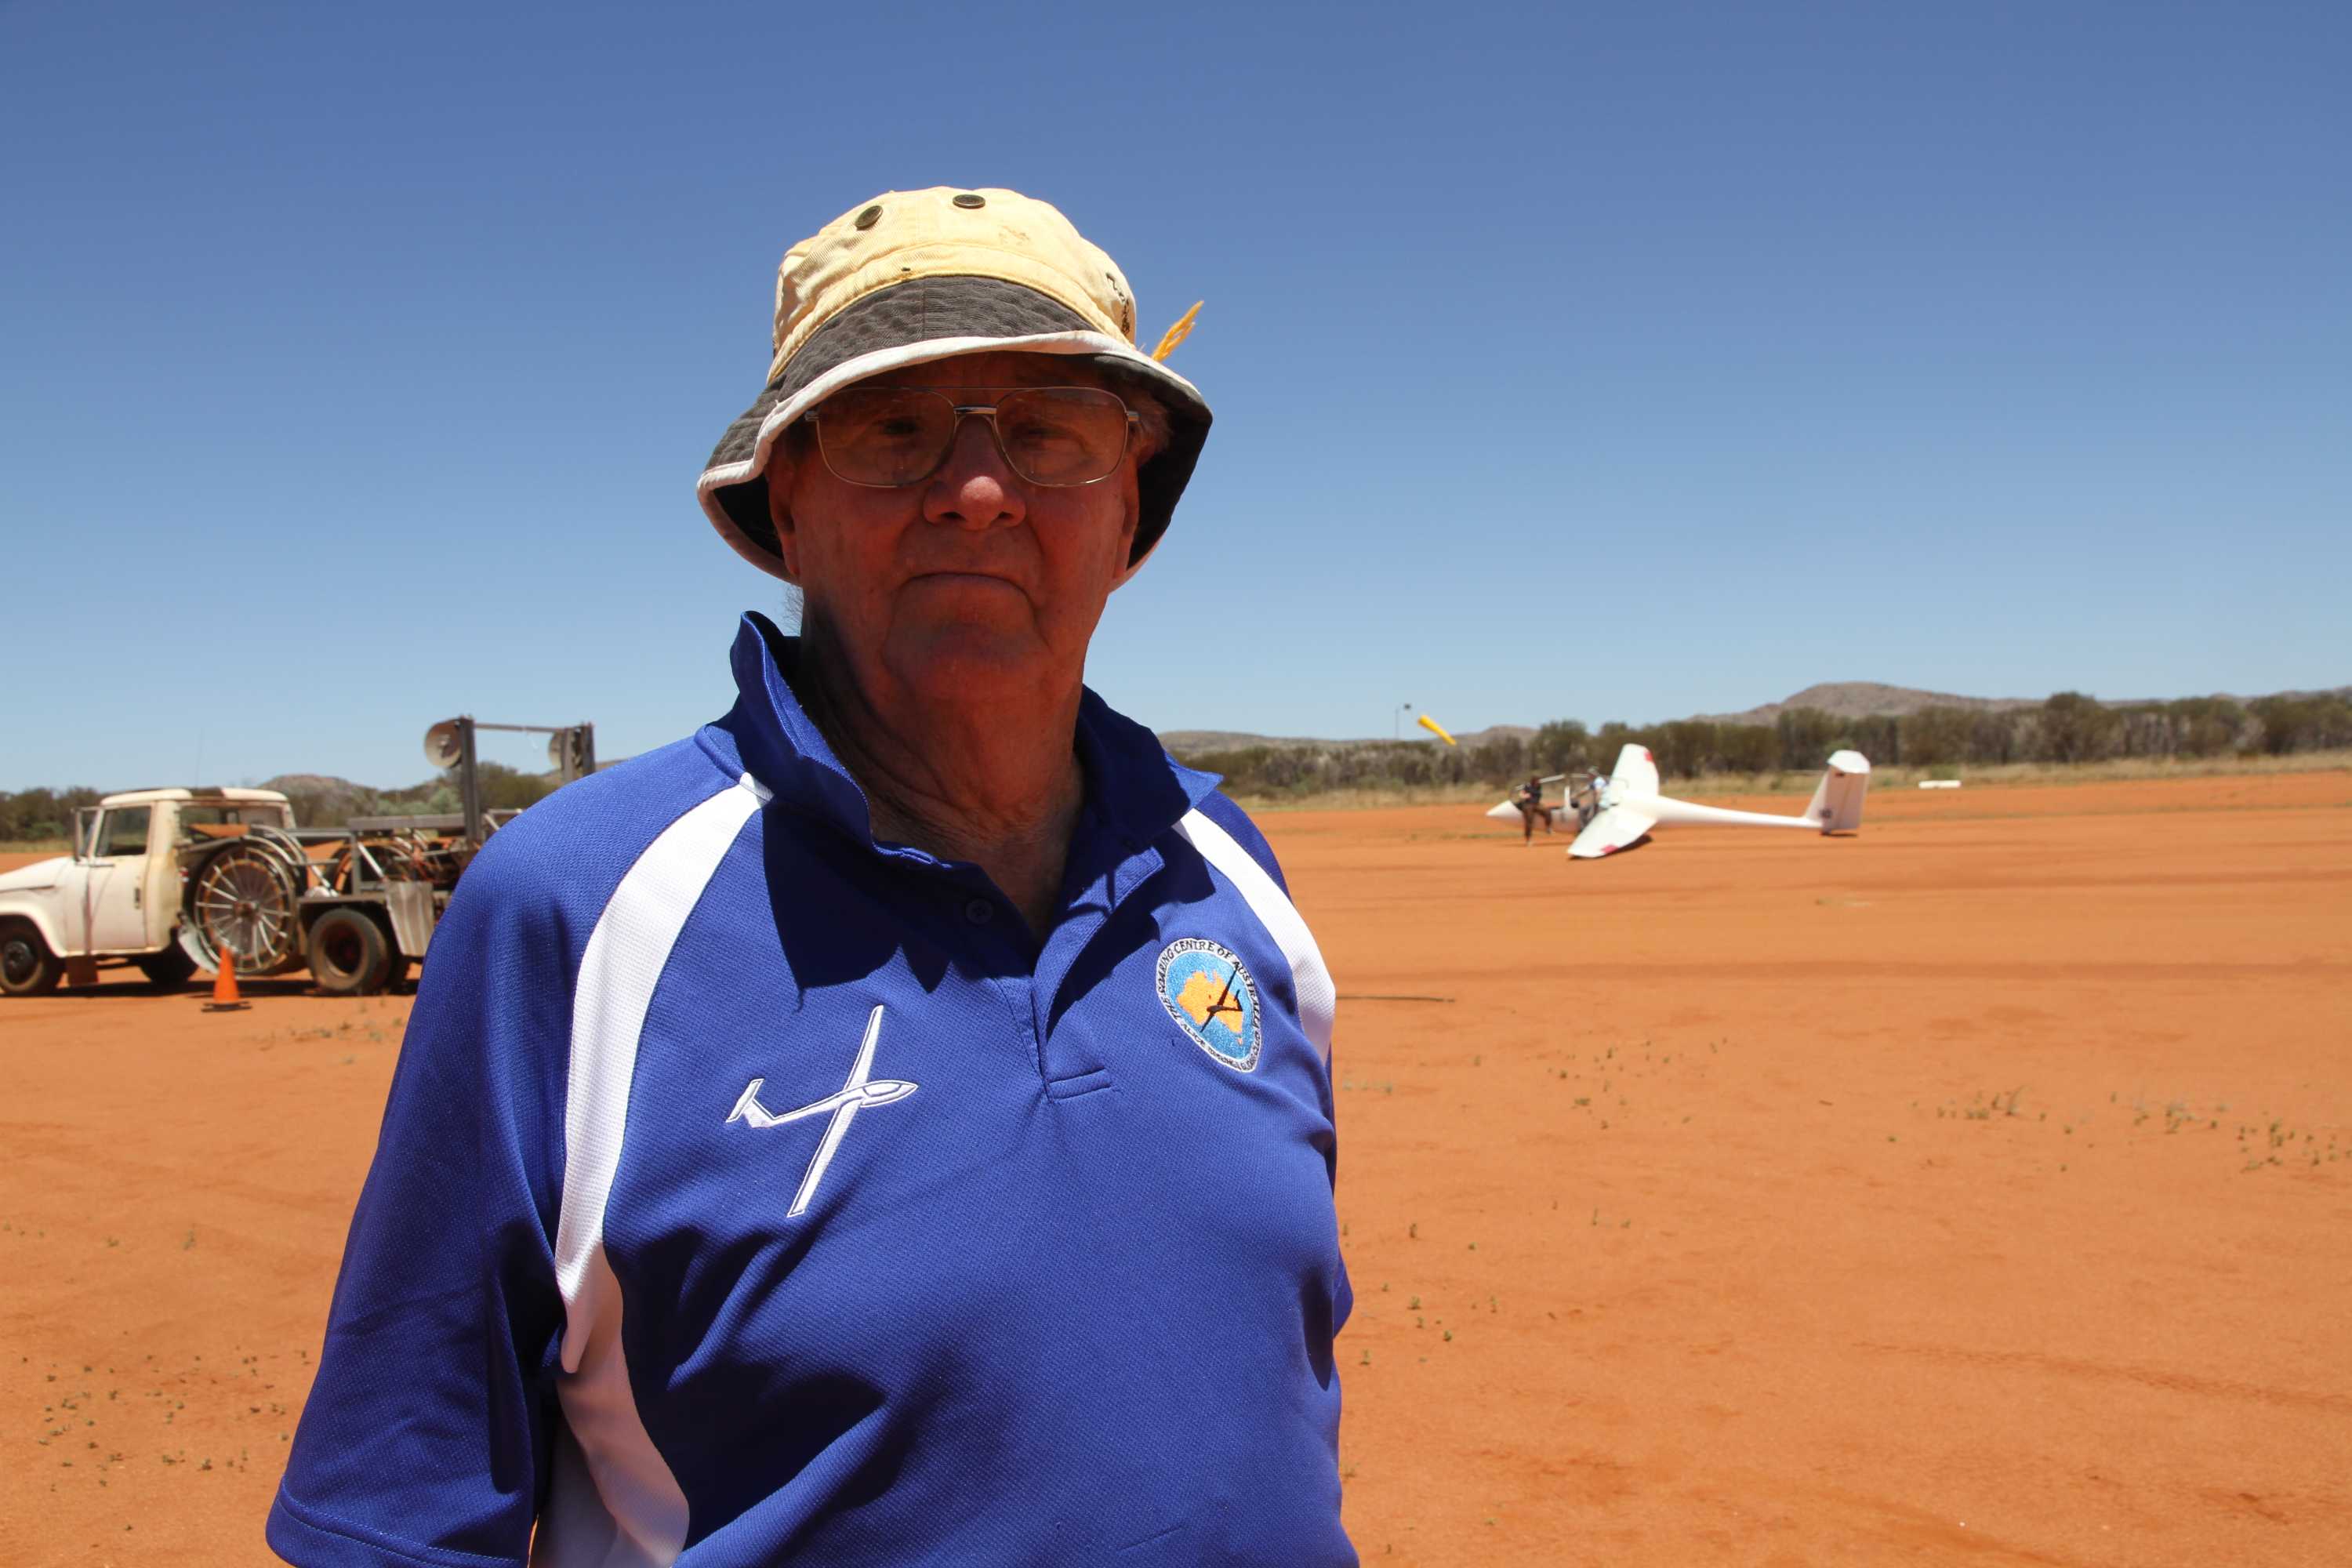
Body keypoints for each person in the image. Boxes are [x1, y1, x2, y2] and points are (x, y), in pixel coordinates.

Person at [266, 188, 1355, 1566]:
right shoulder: (581, 911)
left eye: (1049, 431)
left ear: (1129, 497)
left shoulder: (1228, 879)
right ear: (789, 495)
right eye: (894, 428)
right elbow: (400, 1516)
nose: (976, 489)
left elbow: (1271, 1386)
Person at [1512, 773, 1554, 843]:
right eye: (1537, 780)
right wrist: (1525, 796)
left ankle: (1548, 827)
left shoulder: (1539, 786)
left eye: (1539, 780)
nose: (1538, 782)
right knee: (1529, 819)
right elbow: (1521, 794)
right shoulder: (1528, 786)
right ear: (1533, 780)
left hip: (1537, 804)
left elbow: (1538, 796)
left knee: (1547, 811)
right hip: (1529, 804)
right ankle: (1528, 838)